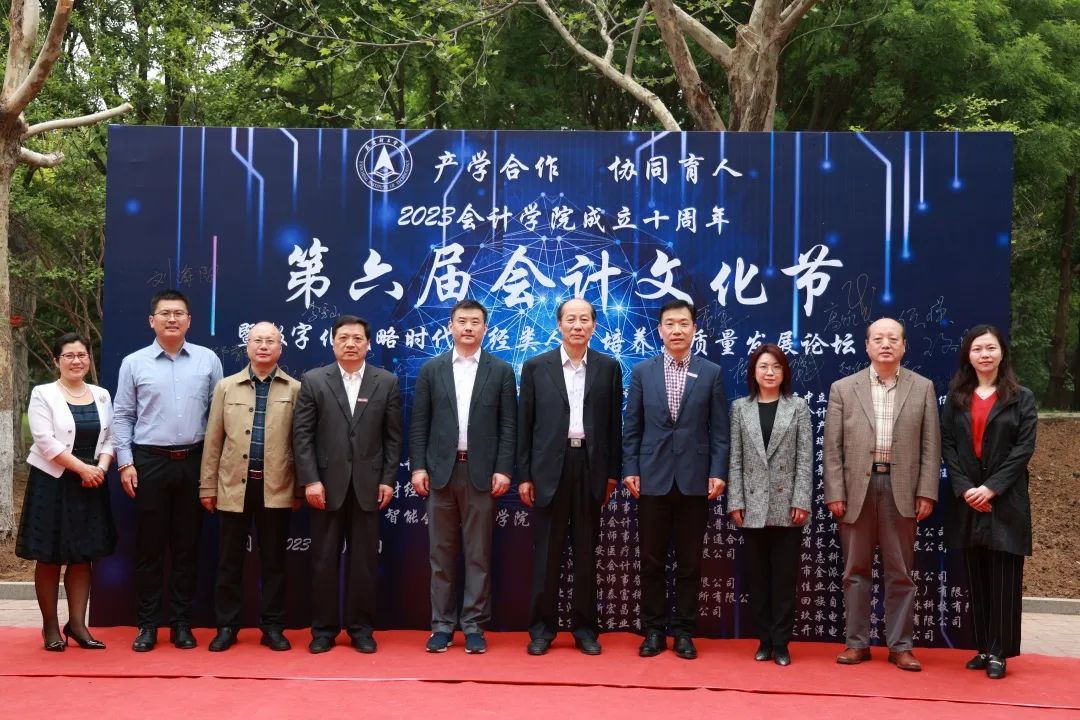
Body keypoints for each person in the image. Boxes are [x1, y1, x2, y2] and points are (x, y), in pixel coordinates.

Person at [823, 317, 940, 672]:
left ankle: (901, 646)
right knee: (855, 570)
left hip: (901, 489)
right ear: (867, 346)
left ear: (904, 346)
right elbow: (832, 449)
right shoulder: (844, 388)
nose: (885, 344)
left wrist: (926, 492)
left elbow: (930, 446)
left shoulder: (922, 387)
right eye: (878, 338)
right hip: (856, 490)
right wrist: (835, 492)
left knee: (900, 572)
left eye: (893, 338)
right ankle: (856, 643)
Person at [113, 289, 223, 651]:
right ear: (152, 321)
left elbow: (218, 418)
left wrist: (213, 469)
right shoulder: (134, 363)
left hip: (194, 461)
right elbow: (122, 415)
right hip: (150, 462)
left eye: (179, 313)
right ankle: (147, 625)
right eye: (165, 313)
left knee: (187, 548)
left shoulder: (207, 360)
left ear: (189, 320)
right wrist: (126, 462)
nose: (172, 319)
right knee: (150, 549)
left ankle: (181, 624)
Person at [622, 299, 729, 660]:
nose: (677, 330)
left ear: (694, 329)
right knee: (651, 561)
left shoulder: (711, 372)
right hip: (651, 479)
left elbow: (719, 431)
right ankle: (653, 631)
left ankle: (683, 631)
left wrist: (717, 471)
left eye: (684, 323)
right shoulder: (643, 372)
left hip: (694, 481)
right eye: (670, 324)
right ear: (660, 330)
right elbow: (632, 427)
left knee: (689, 562)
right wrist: (630, 468)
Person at [409, 299, 516, 655]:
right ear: (450, 327)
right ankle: (441, 626)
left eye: (475, 322)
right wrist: (418, 467)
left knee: (478, 554)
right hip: (441, 472)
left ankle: (473, 626)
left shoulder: (500, 370)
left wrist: (503, 469)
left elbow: (508, 426)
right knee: (440, 555)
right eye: (461, 321)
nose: (468, 327)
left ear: (485, 328)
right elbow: (419, 423)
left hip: (481, 473)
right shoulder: (431, 369)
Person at [517, 298, 622, 656]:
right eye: (571, 319)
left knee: (586, 554)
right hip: (549, 468)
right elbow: (525, 424)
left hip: (590, 467)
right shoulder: (536, 367)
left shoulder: (609, 368)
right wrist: (525, 475)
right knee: (547, 554)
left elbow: (614, 426)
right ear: (559, 324)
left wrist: (612, 474)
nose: (578, 325)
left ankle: (585, 630)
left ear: (594, 326)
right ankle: (542, 630)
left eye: (585, 319)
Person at [292, 314, 402, 654]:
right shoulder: (314, 380)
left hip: (369, 486)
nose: (350, 344)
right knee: (324, 561)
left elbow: (393, 438)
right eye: (343, 338)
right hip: (325, 486)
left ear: (369, 344)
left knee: (364, 564)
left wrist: (387, 479)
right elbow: (302, 436)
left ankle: (361, 629)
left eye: (357, 338)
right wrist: (311, 480)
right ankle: (323, 630)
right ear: (333, 343)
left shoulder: (386, 381)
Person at [941, 325, 1035, 680]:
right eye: (978, 348)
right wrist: (966, 489)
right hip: (968, 501)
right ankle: (982, 646)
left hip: (1005, 501)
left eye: (991, 348)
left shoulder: (1021, 397)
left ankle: (999, 652)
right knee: (976, 576)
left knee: (1004, 579)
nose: (984, 354)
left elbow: (1023, 448)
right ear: (968, 355)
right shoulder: (957, 398)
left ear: (1001, 353)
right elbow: (948, 445)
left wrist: (991, 488)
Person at [199, 322, 301, 652]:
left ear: (280, 348)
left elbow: (301, 444)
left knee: (274, 563)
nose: (263, 346)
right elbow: (213, 440)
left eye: (271, 341)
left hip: (277, 487)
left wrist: (299, 489)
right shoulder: (226, 387)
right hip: (233, 487)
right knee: (229, 561)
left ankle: (272, 627)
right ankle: (227, 626)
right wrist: (207, 486)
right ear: (248, 346)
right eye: (258, 340)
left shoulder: (295, 389)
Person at [17, 332, 117, 651]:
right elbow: (45, 441)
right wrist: (82, 468)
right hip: (54, 482)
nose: (76, 361)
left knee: (82, 556)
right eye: (69, 356)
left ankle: (77, 625)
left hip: (91, 483)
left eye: (82, 355)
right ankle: (50, 626)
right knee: (49, 557)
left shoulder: (101, 395)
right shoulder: (43, 393)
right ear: (56, 361)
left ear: (89, 358)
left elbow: (110, 438)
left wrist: (100, 469)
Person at [727, 343, 812, 666]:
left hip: (787, 505)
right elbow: (735, 459)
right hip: (751, 504)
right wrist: (736, 500)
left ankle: (782, 643)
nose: (769, 372)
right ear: (753, 372)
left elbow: (805, 458)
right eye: (763, 366)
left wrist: (801, 499)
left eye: (776, 367)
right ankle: (764, 640)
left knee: (784, 580)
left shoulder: (798, 407)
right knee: (758, 579)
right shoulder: (740, 408)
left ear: (784, 372)